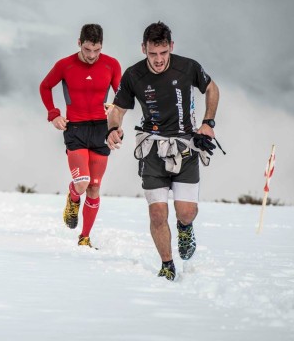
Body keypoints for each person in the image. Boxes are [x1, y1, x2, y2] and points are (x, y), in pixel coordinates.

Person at [107, 21, 220, 281]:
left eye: (163, 53)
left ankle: (184, 227)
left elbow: (212, 88)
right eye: (152, 54)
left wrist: (208, 122)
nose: (158, 60)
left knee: (186, 211)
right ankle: (167, 264)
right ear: (143, 49)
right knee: (158, 213)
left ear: (171, 47)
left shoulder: (188, 67)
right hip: (152, 148)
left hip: (186, 146)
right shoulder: (133, 75)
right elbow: (118, 108)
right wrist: (113, 128)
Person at [39, 24, 121, 248]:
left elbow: (122, 95)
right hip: (75, 128)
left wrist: (114, 113)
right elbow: (45, 86)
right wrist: (54, 114)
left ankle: (84, 237)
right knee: (83, 183)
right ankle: (73, 198)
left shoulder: (111, 64)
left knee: (94, 186)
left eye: (96, 50)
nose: (92, 56)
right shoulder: (65, 65)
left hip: (100, 130)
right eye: (87, 50)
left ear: (101, 46)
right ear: (79, 43)